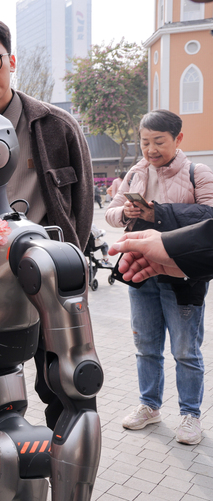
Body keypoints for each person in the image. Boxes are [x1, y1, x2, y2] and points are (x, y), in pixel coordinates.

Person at [0, 18, 93, 430]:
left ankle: (62, 479)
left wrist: (66, 267)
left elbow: (80, 208)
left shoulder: (55, 125)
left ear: (11, 61)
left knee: (66, 390)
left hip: (48, 284)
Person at [104, 109, 213, 445]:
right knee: (146, 345)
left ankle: (190, 415)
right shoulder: (136, 173)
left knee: (185, 350)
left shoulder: (198, 172)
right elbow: (111, 212)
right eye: (145, 142)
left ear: (178, 139)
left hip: (182, 276)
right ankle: (149, 406)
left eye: (158, 142)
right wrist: (125, 212)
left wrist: (158, 213)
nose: (150, 150)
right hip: (142, 272)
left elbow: (209, 216)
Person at [110, 222, 213, 282]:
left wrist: (168, 244)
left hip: (182, 284)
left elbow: (208, 209)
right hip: (150, 261)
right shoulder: (130, 183)